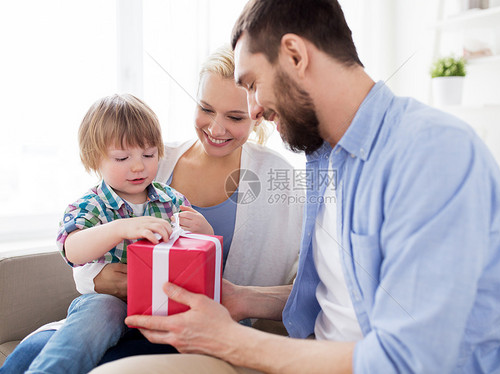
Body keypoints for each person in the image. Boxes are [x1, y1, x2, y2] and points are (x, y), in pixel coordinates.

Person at [91, 0, 500, 373]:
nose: (254, 109)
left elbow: (411, 359)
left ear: (295, 55)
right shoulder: (323, 159)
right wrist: (238, 298)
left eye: (252, 85)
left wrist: (231, 341)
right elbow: (337, 299)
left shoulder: (432, 152)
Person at [1, 46, 303, 372]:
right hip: (113, 312)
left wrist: (208, 239)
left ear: (258, 114)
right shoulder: (151, 157)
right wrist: (96, 278)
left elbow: (317, 282)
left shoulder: (277, 181)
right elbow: (84, 246)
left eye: (235, 117)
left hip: (187, 325)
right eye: (205, 108)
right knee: (30, 352)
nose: (216, 128)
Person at [19, 94, 214, 374]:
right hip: (110, 304)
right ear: (93, 159)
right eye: (122, 157)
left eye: (149, 155)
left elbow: (196, 251)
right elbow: (71, 249)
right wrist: (120, 228)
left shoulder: (171, 199)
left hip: (164, 303)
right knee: (101, 311)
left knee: (227, 317)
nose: (138, 166)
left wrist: (204, 230)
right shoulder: (90, 205)